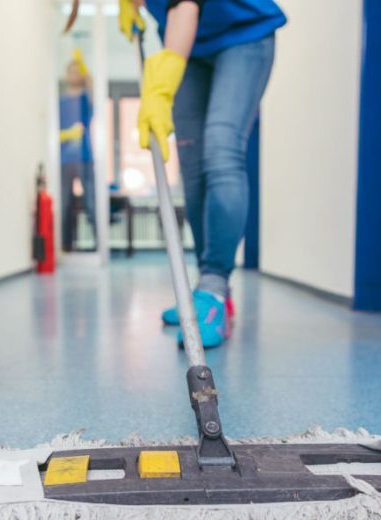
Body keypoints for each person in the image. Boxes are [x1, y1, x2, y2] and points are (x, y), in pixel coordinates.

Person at [67, 0, 286, 347]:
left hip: (245, 35)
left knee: (221, 149)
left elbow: (184, 6)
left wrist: (163, 84)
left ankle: (214, 289)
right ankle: (205, 292)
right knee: (193, 166)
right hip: (196, 45)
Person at [59, 50, 96, 251]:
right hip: (64, 160)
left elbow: (92, 86)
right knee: (65, 203)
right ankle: (65, 246)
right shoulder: (60, 101)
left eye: (77, 70)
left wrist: (82, 63)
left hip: (84, 158)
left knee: (91, 201)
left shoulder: (85, 98)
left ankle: (99, 245)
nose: (73, 73)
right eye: (70, 70)